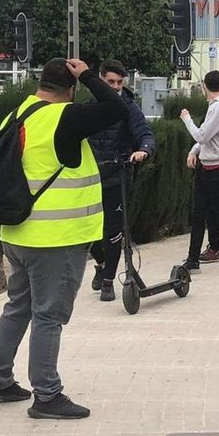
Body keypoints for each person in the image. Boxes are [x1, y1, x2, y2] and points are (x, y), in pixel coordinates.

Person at [0, 57, 127, 420]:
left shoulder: (17, 115)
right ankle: (47, 395)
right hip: (55, 240)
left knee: (18, 306)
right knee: (49, 316)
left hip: (17, 232)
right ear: (71, 89)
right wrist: (91, 75)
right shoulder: (65, 117)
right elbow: (116, 107)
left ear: (39, 82)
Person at [86, 60, 155, 302]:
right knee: (87, 232)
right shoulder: (89, 108)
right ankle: (102, 263)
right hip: (90, 179)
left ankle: (108, 282)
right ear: (100, 80)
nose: (115, 87)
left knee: (113, 232)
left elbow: (144, 132)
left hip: (117, 177)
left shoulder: (128, 108)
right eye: (110, 82)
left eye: (119, 82)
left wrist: (144, 150)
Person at [181, 71, 219, 272]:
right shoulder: (216, 108)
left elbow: (201, 135)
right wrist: (194, 151)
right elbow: (208, 137)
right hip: (206, 168)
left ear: (204, 87)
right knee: (198, 214)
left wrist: (186, 119)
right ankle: (192, 260)